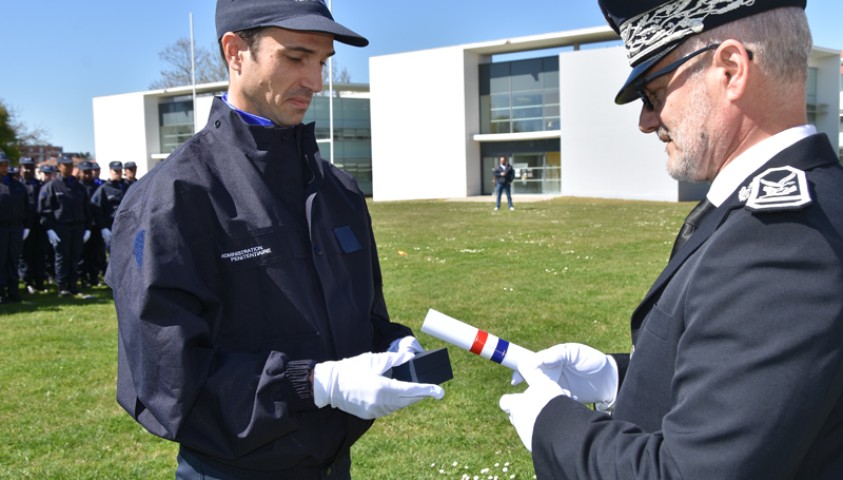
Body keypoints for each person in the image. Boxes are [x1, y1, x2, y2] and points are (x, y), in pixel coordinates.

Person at [499, 1, 843, 478]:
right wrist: (616, 378)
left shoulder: (783, 241)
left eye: (655, 93)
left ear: (730, 70)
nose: (645, 121)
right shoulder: (783, 213)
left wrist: (550, 423)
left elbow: (692, 471)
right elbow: (747, 394)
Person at [105, 1, 444, 478]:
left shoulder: (338, 191)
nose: (316, 81)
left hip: (333, 465)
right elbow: (167, 379)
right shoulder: (173, 198)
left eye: (322, 62)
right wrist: (314, 384)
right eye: (295, 57)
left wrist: (391, 345)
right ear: (235, 52)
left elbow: (363, 317)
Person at [38, 156, 93, 297]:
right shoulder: (52, 186)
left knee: (75, 256)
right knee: (62, 257)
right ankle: (62, 287)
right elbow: (45, 209)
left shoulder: (78, 187)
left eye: (70, 165)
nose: (68, 167)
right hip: (60, 227)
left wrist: (88, 228)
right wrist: (49, 229)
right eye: (65, 165)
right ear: (59, 167)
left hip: (78, 226)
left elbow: (87, 208)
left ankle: (73, 285)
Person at [0, 151, 29, 304]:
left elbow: (26, 206)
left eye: (5, 164)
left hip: (16, 228)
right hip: (1, 228)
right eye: (1, 164)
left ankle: (13, 291)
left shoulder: (17, 185)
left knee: (13, 260)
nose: (4, 167)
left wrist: (26, 226)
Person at [19, 157, 50, 294]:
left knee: (40, 254)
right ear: (20, 168)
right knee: (26, 255)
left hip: (40, 225)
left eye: (30, 167)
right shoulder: (18, 185)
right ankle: (28, 282)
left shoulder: (41, 185)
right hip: (26, 226)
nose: (27, 170)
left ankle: (40, 282)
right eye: (25, 167)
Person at [89, 161, 128, 253]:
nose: (117, 173)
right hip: (111, 226)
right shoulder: (104, 188)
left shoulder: (126, 186)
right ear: (110, 171)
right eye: (115, 171)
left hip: (127, 225)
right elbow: (95, 208)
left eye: (119, 171)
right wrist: (103, 227)